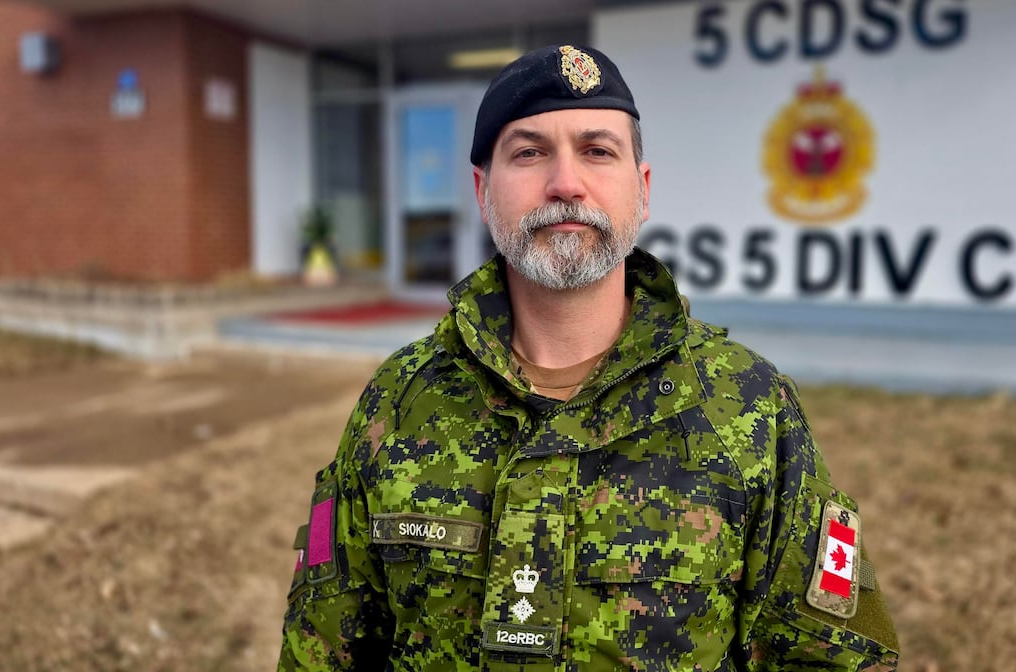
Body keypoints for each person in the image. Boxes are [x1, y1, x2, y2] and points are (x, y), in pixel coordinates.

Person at [278, 44, 899, 671]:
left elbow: (837, 658)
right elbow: (320, 653)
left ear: (643, 188)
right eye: (529, 153)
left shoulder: (749, 407)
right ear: (481, 189)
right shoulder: (400, 400)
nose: (566, 183)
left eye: (598, 151)